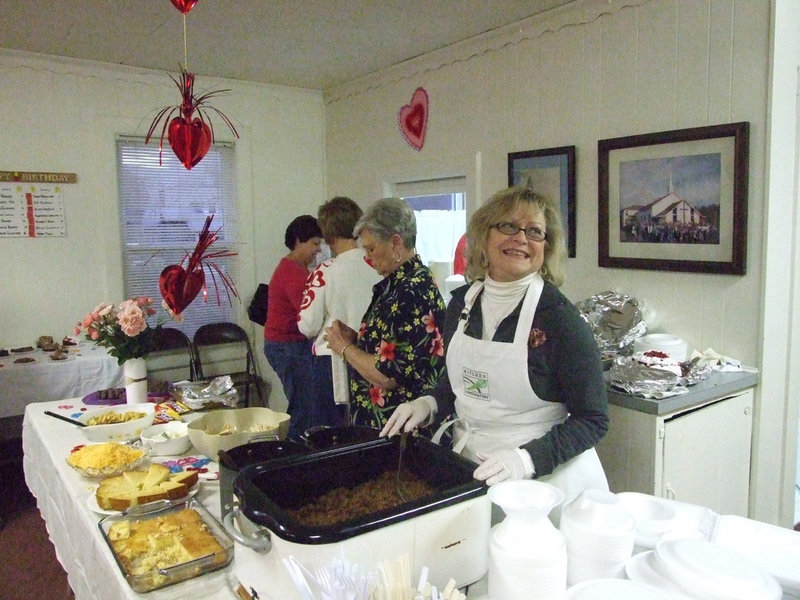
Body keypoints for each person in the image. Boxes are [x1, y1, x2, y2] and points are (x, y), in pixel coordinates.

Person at [381, 186, 609, 514]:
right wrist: (430, 402)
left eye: (534, 231)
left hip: (546, 484)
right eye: (508, 226)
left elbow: (593, 419)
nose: (521, 238)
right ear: (483, 236)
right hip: (472, 468)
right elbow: (465, 380)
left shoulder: (560, 320)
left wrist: (527, 458)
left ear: (547, 247)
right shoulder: (461, 305)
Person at [324, 197, 446, 429]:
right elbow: (391, 344)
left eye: (370, 249)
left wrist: (344, 348)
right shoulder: (399, 283)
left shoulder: (411, 290)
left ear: (395, 243)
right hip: (387, 421)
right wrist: (356, 339)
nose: (367, 257)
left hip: (400, 427)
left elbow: (388, 375)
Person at [297, 196, 381, 426]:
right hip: (371, 359)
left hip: (332, 363)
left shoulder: (325, 271)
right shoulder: (378, 264)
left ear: (327, 235)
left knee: (331, 434)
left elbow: (307, 324)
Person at [263, 215, 323, 441]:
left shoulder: (294, 268)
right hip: (287, 346)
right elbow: (309, 315)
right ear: (299, 241)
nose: (318, 250)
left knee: (303, 403)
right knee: (303, 407)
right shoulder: (294, 273)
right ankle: (294, 453)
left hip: (287, 345)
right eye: (315, 243)